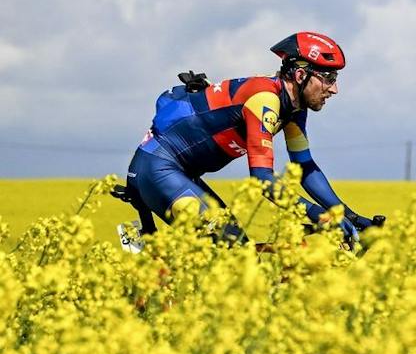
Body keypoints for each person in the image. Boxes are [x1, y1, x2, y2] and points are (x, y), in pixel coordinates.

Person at [117, 32, 383, 246]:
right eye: (328, 78)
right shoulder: (265, 100)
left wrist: (348, 215)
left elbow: (304, 167)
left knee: (238, 251)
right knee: (236, 261)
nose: (334, 89)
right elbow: (263, 180)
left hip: (181, 173)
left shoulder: (293, 107)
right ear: (301, 76)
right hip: (159, 168)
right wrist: (319, 215)